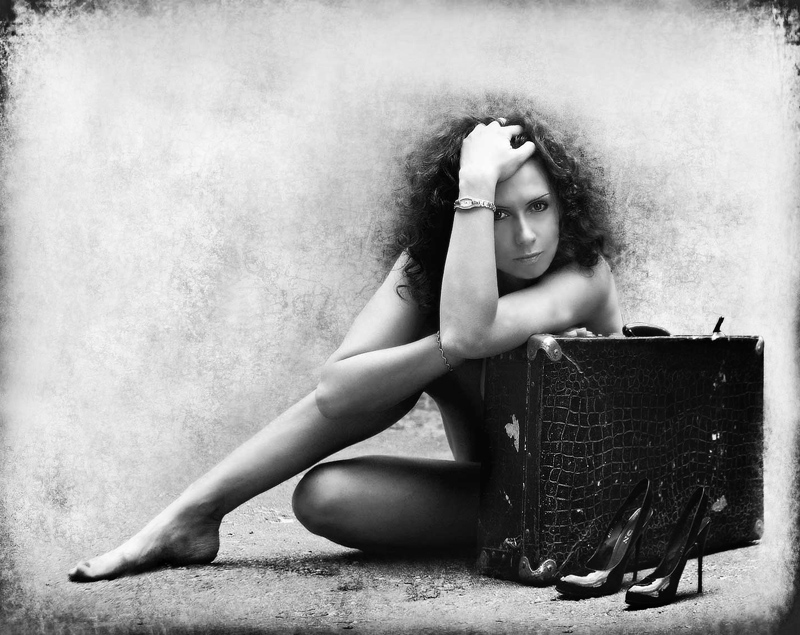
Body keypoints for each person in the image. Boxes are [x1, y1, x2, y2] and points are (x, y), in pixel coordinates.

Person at [68, 100, 623, 581]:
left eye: (539, 207)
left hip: (574, 500)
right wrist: (438, 352)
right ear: (460, 212)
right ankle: (192, 514)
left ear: (564, 204)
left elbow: (469, 332)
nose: (525, 236)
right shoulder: (430, 268)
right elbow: (338, 392)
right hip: (490, 490)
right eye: (497, 213)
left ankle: (531, 538)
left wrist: (478, 183)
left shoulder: (584, 275)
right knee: (324, 496)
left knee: (436, 353)